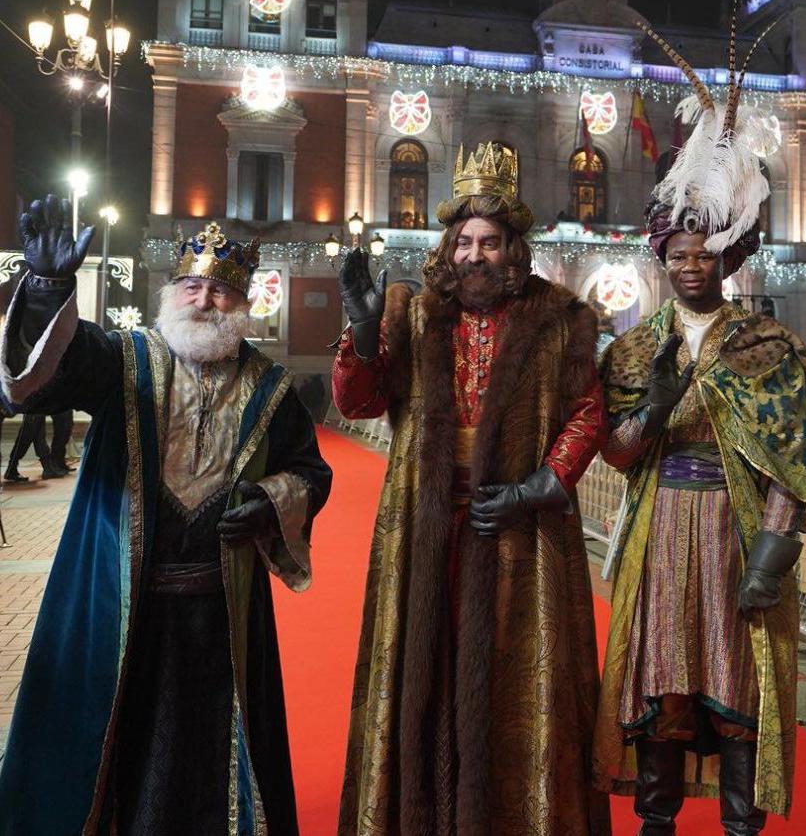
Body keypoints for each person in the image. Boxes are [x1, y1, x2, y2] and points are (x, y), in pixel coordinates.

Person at [0, 198, 332, 836]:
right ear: (171, 293)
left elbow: (310, 471)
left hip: (221, 610)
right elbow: (46, 379)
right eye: (192, 285)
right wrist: (46, 290)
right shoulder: (124, 360)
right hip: (123, 604)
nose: (205, 300)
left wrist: (271, 501)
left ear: (243, 305)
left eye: (220, 292)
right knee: (117, 737)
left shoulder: (272, 386)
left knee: (213, 751)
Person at [333, 143, 610, 836]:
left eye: (489, 242)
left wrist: (544, 483)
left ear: (513, 247)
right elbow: (358, 402)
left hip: (520, 530)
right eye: (463, 241)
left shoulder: (560, 317)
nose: (475, 255)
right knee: (423, 675)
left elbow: (588, 408)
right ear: (447, 245)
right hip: (424, 526)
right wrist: (364, 333)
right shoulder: (413, 314)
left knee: (519, 682)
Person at [592, 33, 806, 835]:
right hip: (659, 531)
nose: (691, 265)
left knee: (737, 693)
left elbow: (795, 464)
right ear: (663, 256)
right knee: (661, 689)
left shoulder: (768, 346)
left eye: (705, 253)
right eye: (679, 253)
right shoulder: (629, 348)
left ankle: (737, 825)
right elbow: (615, 453)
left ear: (727, 255)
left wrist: (771, 554)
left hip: (734, 534)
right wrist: (651, 408)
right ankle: (655, 823)